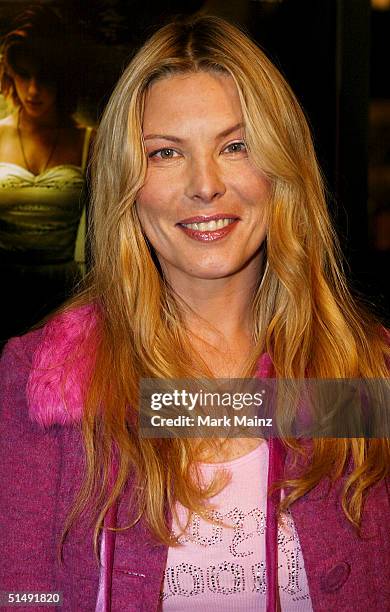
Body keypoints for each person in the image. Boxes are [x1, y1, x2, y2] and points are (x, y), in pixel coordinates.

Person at [0, 14, 389, 612]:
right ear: (127, 182)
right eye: (165, 153)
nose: (205, 184)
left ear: (281, 168)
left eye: (235, 146)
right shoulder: (42, 381)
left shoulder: (363, 380)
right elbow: (23, 596)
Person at [0, 5, 93, 347]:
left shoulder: (87, 140)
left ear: (64, 78)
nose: (34, 90)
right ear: (10, 74)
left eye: (46, 77)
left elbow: (101, 238)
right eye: (24, 75)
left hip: (62, 294)